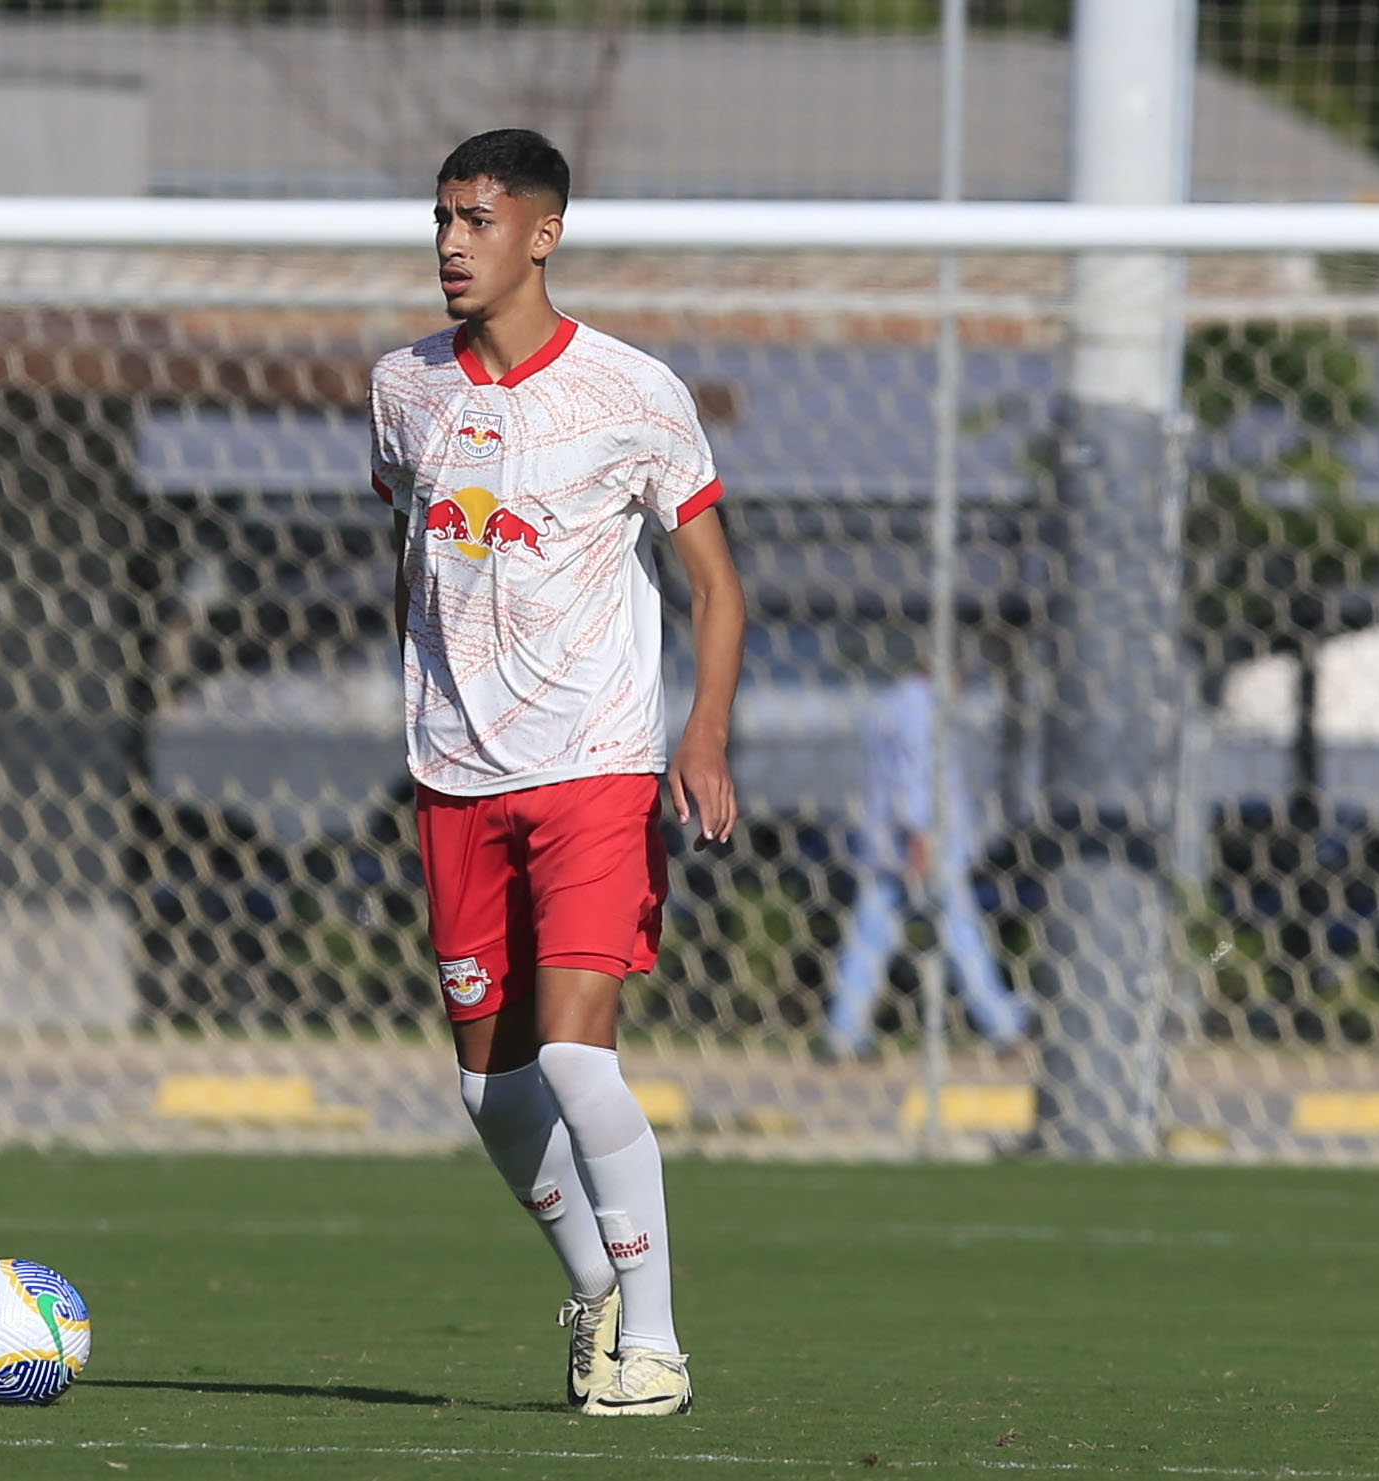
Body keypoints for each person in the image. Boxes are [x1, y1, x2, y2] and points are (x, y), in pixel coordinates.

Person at [368, 129, 745, 1418]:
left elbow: (713, 583)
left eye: (477, 219)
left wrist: (697, 735)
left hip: (594, 765)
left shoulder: (632, 391)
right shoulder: (403, 388)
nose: (450, 244)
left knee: (581, 1064)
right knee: (491, 1088)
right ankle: (592, 1288)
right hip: (455, 775)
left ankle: (657, 1345)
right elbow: (411, 552)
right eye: (439, 220)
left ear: (543, 233)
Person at [826, 670, 1029, 1058]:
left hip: (887, 843)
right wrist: (921, 833)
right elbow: (915, 774)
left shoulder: (887, 703)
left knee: (871, 936)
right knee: (961, 933)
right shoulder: (921, 708)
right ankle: (1003, 1024)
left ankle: (843, 1032)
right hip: (926, 843)